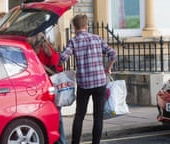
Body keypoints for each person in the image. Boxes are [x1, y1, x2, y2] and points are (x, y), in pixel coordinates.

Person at [60, 14, 117, 144]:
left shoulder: (74, 41)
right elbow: (113, 53)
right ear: (87, 26)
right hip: (99, 82)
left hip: (84, 84)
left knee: (79, 115)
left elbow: (63, 58)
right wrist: (107, 68)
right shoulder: (97, 38)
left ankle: (75, 142)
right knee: (98, 116)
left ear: (74, 27)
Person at [27, 32, 66, 144]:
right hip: (52, 87)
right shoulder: (51, 50)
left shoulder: (35, 52)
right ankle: (60, 141)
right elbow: (59, 68)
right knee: (56, 116)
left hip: (45, 87)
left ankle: (60, 141)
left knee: (54, 116)